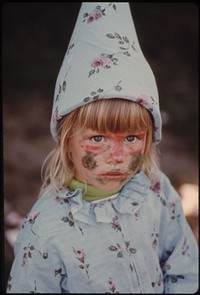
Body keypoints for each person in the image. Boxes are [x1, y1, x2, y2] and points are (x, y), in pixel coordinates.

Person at [7, 2, 198, 293]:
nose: (118, 158)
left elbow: (185, 271)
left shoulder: (157, 192)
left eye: (132, 138)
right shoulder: (45, 231)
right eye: (98, 139)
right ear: (66, 139)